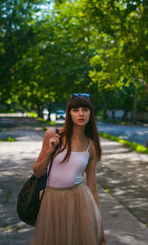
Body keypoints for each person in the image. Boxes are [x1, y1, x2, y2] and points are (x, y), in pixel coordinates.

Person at [31, 93, 106, 245]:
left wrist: (100, 226)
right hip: (52, 200)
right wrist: (50, 152)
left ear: (90, 113)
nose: (80, 114)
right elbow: (37, 172)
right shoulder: (53, 135)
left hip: (79, 202)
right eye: (75, 110)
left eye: (85, 109)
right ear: (68, 113)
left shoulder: (92, 146)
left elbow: (92, 188)